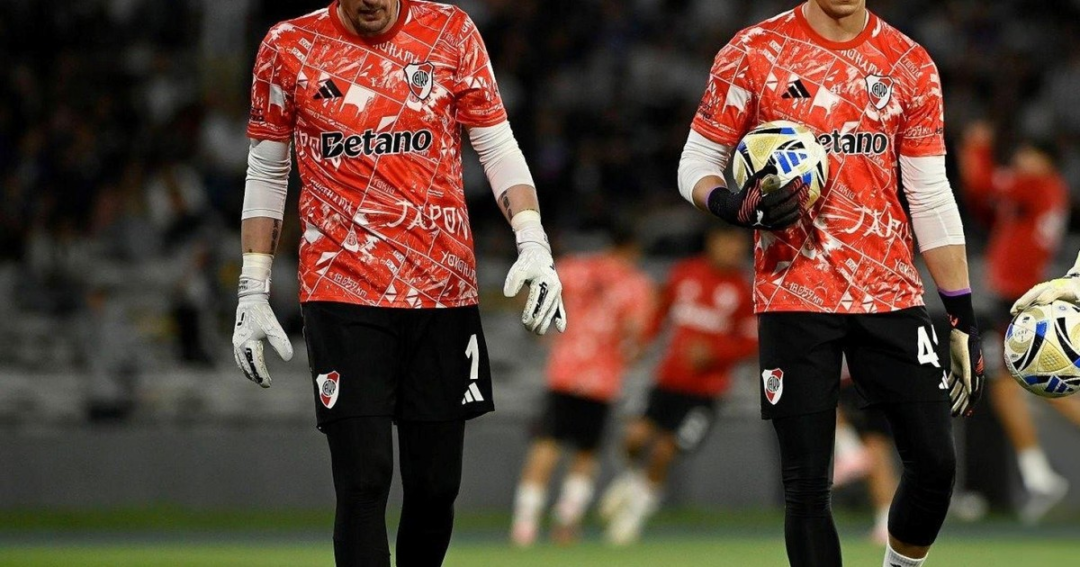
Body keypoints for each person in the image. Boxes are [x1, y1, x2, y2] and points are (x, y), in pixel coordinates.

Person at [230, 1, 566, 566]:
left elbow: (495, 142)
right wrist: (253, 287)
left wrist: (534, 241)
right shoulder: (288, 45)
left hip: (442, 287)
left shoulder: (451, 31)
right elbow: (267, 168)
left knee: (435, 488)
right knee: (364, 480)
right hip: (341, 289)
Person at [677, 1, 985, 566]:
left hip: (889, 291)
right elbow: (697, 159)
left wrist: (962, 313)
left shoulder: (908, 62)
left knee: (935, 463)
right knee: (807, 485)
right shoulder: (752, 51)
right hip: (793, 292)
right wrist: (729, 203)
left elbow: (930, 194)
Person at [599, 223, 756, 545]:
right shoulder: (685, 273)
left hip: (706, 391)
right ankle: (631, 483)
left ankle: (635, 514)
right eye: (730, 243)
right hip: (668, 380)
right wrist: (643, 341)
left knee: (664, 450)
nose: (736, 251)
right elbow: (661, 312)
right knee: (633, 438)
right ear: (713, 241)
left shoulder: (743, 290)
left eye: (740, 245)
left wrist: (715, 352)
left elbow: (751, 342)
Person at [958, 121, 1079, 522]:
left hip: (1019, 298)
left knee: (1012, 383)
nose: (1021, 161)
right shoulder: (1049, 189)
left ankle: (1037, 473)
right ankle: (1037, 474)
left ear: (1041, 159)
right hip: (1027, 294)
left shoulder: (1035, 183)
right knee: (1025, 382)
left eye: (1028, 154)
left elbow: (981, 184)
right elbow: (989, 208)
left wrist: (976, 146)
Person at [510, 227, 654, 547]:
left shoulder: (574, 267)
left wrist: (542, 331)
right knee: (586, 453)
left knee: (546, 446)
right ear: (632, 249)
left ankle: (524, 525)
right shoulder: (635, 284)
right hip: (602, 379)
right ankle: (566, 522)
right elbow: (637, 336)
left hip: (564, 370)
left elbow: (530, 293)